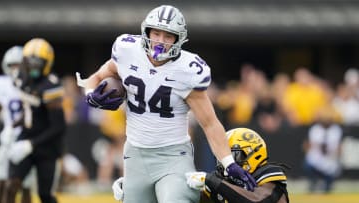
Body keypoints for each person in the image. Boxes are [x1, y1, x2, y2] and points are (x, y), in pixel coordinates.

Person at [76, 5, 256, 203]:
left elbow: (210, 123)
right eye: (156, 33)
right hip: (135, 156)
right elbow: (97, 76)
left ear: (178, 39)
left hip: (173, 157)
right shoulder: (127, 50)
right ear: (146, 32)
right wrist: (91, 94)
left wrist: (228, 163)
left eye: (168, 36)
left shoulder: (188, 69)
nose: (160, 41)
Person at [2, 38, 66, 203]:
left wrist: (31, 144)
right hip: (25, 138)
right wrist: (12, 126)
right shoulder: (22, 79)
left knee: (45, 195)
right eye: (29, 61)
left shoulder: (51, 86)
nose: (32, 66)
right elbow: (30, 111)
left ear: (47, 63)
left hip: (47, 147)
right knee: (10, 186)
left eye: (37, 62)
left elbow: (59, 126)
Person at [185, 128, 290, 203]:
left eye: (232, 155)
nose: (226, 162)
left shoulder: (268, 174)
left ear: (254, 153)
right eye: (222, 157)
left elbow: (258, 200)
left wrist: (212, 181)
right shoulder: (222, 181)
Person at [0, 46, 33, 203]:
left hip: (26, 137)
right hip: (8, 137)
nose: (15, 69)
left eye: (18, 65)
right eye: (12, 65)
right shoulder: (2, 84)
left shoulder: (32, 83)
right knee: (3, 181)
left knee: (26, 185)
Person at [302, 105, 343, 193]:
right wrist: (309, 153)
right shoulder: (315, 129)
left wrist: (337, 159)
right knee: (307, 164)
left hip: (330, 160)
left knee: (328, 187)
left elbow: (339, 148)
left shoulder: (336, 130)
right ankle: (314, 182)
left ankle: (328, 183)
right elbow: (306, 145)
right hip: (317, 159)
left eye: (328, 118)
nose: (326, 120)